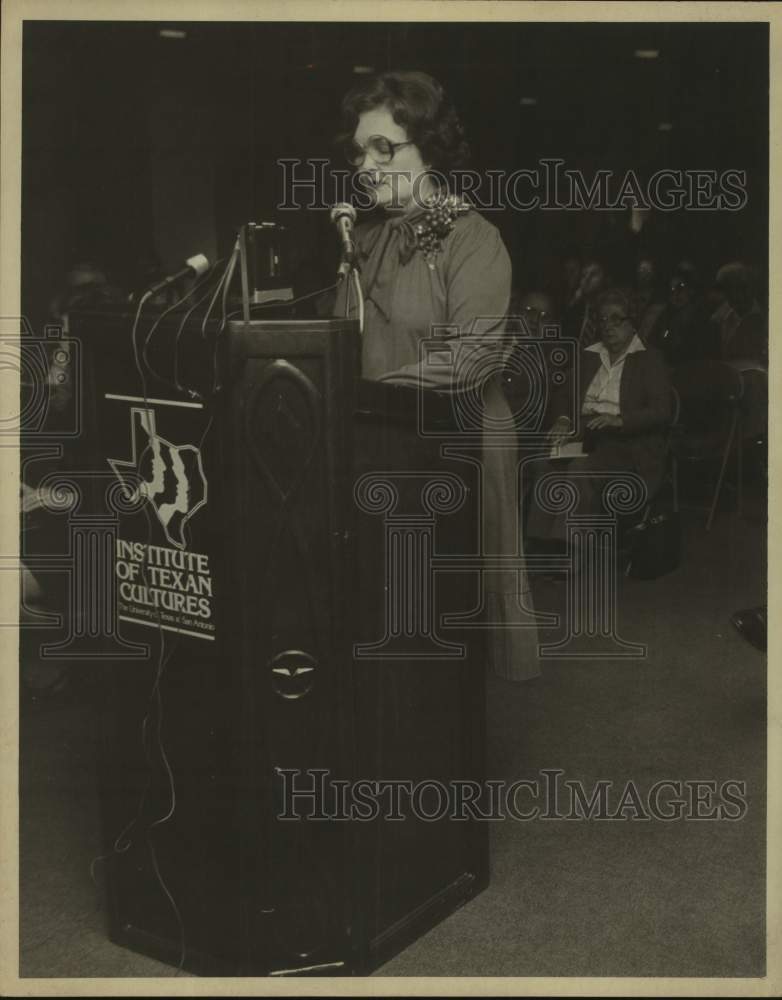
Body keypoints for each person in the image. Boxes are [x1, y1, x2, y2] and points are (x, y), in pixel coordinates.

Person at [333, 70, 539, 681]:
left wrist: (368, 397)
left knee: (450, 616)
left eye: (383, 147)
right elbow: (341, 341)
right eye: (359, 151)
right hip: (377, 441)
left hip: (458, 443)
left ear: (430, 148)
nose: (366, 165)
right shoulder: (361, 241)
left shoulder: (474, 239)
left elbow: (472, 357)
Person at [526, 288, 672, 544]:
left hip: (626, 443)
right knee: (545, 462)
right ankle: (539, 543)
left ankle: (571, 547)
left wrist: (620, 419)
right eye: (603, 319)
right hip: (585, 436)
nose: (608, 326)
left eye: (616, 319)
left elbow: (662, 411)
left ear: (633, 323)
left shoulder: (649, 359)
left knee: (580, 468)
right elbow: (563, 394)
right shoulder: (589, 355)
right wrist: (563, 420)